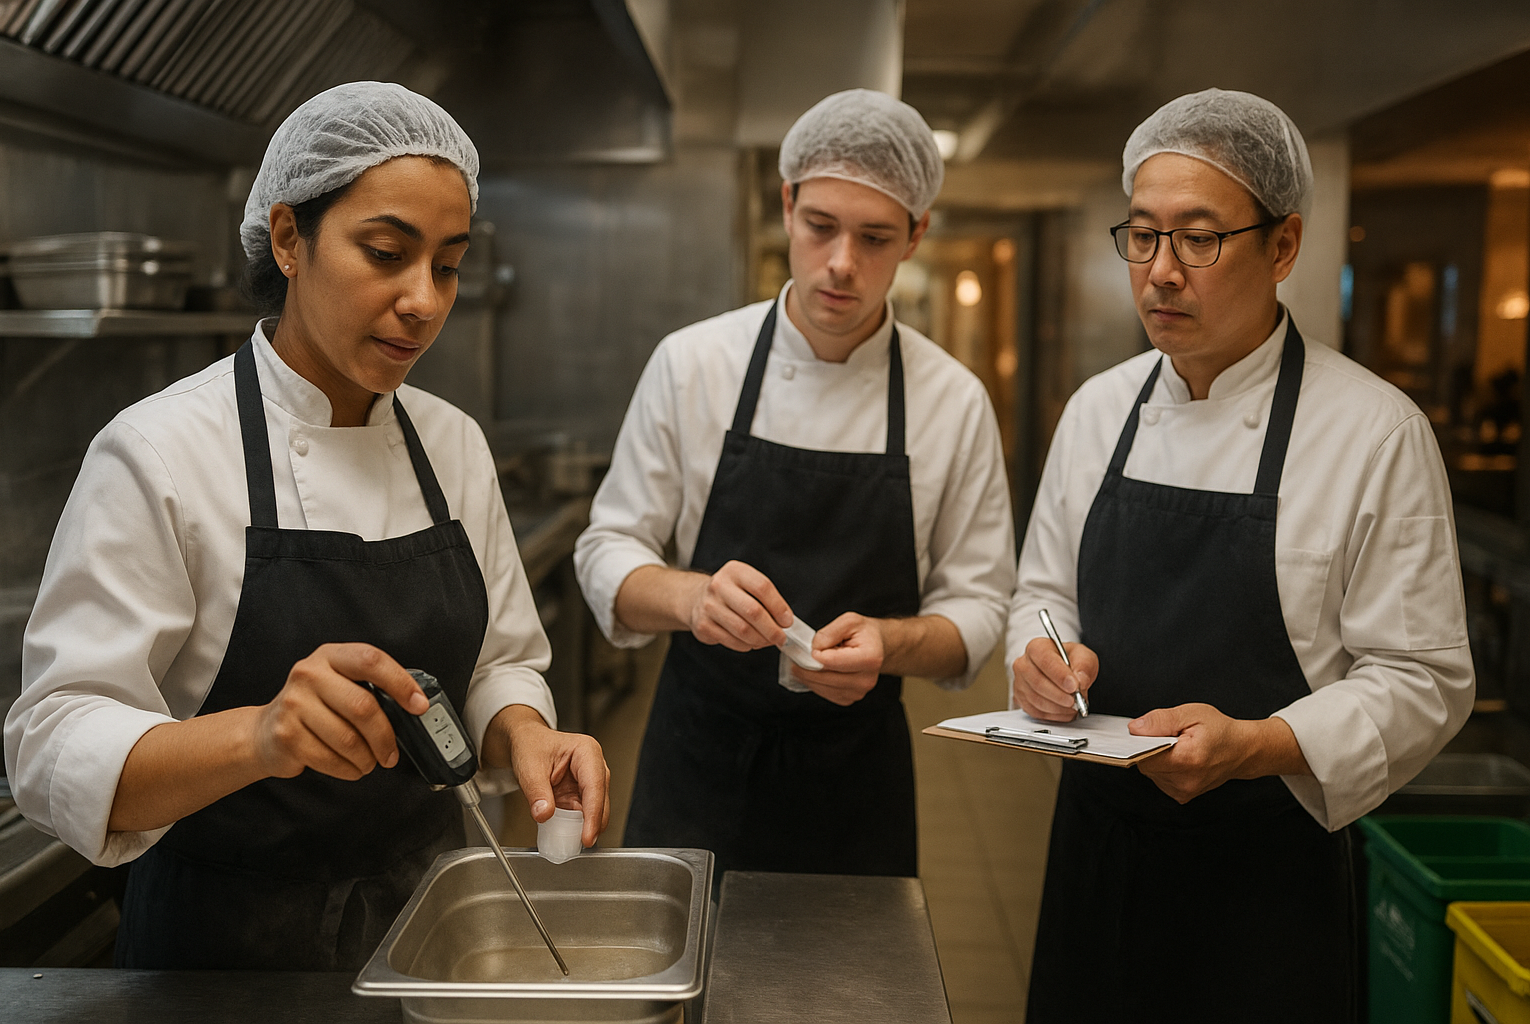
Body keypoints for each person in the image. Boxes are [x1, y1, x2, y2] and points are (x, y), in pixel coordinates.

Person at [3, 82, 610, 971]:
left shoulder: (452, 443)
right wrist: (263, 737)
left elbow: (498, 662)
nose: (424, 301)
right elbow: (52, 740)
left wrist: (524, 733)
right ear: (289, 239)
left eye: (446, 264)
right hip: (218, 959)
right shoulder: (160, 451)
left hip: (428, 929)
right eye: (385, 252)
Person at [1008, 88, 1474, 1022]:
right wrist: (1044, 659)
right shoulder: (1100, 408)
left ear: (1284, 246)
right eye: (1142, 236)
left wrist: (1260, 745)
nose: (1161, 273)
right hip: (1096, 860)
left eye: (1198, 238)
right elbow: (1044, 590)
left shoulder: (1373, 433)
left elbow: (1423, 677)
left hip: (1266, 885)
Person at [574, 89, 1016, 878]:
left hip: (855, 783)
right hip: (697, 762)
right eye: (820, 227)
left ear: (916, 235)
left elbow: (979, 607)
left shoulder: (953, 401)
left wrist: (891, 644)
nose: (841, 263)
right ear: (786, 205)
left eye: (875, 237)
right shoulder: (693, 364)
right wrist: (693, 598)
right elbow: (609, 549)